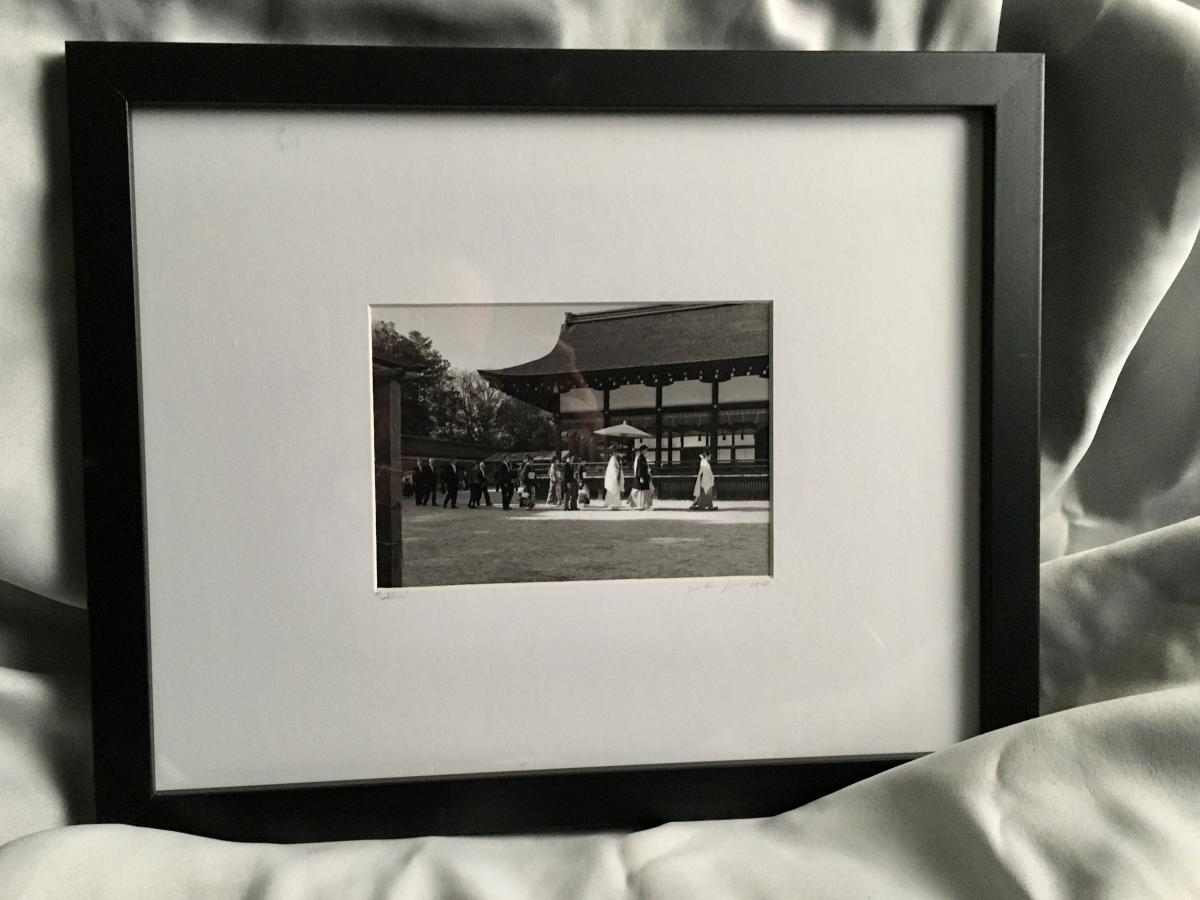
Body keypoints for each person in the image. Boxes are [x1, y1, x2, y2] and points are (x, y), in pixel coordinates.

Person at [630, 445, 653, 510]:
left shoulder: (642, 457)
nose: (646, 451)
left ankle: (644, 505)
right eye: (645, 450)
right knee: (640, 490)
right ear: (642, 450)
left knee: (644, 490)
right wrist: (640, 477)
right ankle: (641, 505)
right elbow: (639, 468)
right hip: (641, 476)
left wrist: (648, 470)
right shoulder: (640, 458)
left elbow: (644, 467)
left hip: (644, 476)